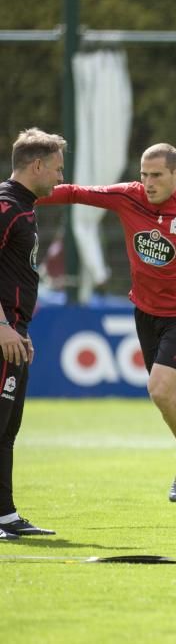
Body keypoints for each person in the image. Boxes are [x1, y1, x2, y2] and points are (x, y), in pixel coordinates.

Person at [37, 143, 176, 517]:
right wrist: (23, 193)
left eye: (157, 175)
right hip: (145, 313)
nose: (148, 182)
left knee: (159, 390)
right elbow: (74, 192)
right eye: (144, 174)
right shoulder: (129, 197)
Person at [0, 128, 66, 541]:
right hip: (3, 330)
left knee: (8, 429)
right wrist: (2, 326)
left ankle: (5, 515)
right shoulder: (5, 207)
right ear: (37, 165)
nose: (61, 177)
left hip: (14, 331)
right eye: (57, 169)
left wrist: (18, 329)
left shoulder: (23, 207)